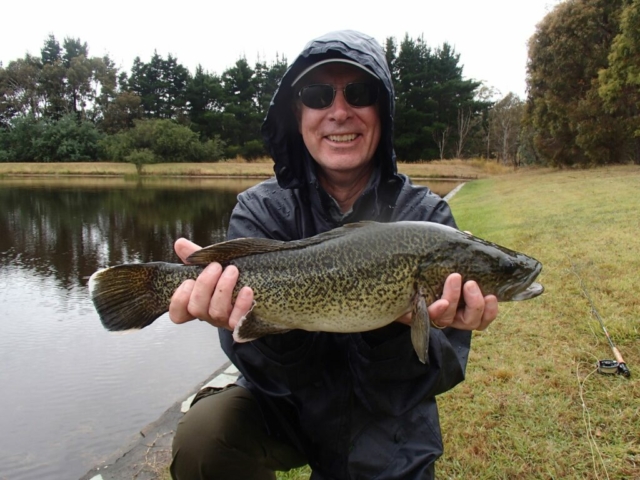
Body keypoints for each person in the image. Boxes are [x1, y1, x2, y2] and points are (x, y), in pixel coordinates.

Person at [169, 30, 498, 480]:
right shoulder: (260, 209)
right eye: (318, 95)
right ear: (296, 112)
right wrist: (244, 318)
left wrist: (397, 324)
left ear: (382, 110)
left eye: (359, 94)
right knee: (203, 437)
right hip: (289, 405)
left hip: (389, 426)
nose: (339, 112)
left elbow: (438, 371)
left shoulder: (428, 218)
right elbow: (258, 368)